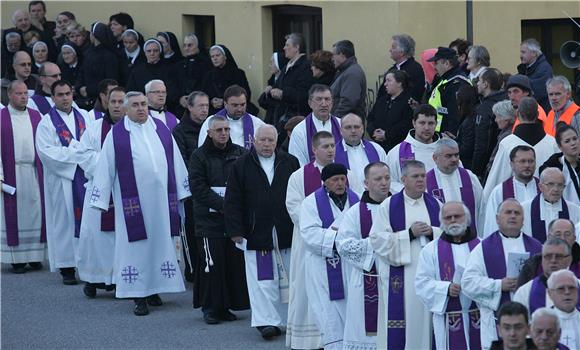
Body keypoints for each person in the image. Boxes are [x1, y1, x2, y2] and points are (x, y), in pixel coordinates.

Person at [89, 91, 189, 315]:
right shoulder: (117, 135)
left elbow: (175, 161)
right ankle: (138, 295)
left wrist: (183, 190)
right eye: (135, 105)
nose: (141, 108)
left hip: (162, 204)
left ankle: (154, 289)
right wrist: (100, 198)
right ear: (126, 109)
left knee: (159, 244)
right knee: (136, 248)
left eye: (144, 104)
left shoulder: (161, 129)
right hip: (133, 206)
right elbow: (105, 167)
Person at [285, 130, 361, 349]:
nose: (330, 150)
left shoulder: (349, 174)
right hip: (314, 246)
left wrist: (345, 234)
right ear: (314, 149)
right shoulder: (299, 176)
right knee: (314, 296)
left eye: (332, 146)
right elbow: (293, 207)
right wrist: (333, 233)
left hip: (347, 253)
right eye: (325, 146)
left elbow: (358, 209)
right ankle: (312, 340)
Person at [224, 125, 299, 339]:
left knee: (288, 277)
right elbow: (233, 200)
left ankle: (286, 319)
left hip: (285, 230)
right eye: (263, 140)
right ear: (254, 141)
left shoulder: (289, 162)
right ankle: (266, 322)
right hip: (256, 231)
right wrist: (236, 231)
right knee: (262, 280)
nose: (267, 145)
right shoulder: (241, 165)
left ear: (277, 142)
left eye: (271, 141)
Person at [369, 160, 443, 349]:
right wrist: (408, 234)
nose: (420, 180)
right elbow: (377, 240)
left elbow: (448, 235)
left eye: (423, 176)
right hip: (403, 275)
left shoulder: (435, 204)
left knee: (428, 322)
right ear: (403, 180)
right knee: (407, 319)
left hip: (430, 274)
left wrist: (432, 232)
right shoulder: (389, 206)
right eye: (415, 176)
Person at [189, 115, 250, 324]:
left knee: (231, 265)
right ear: (209, 133)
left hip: (232, 221)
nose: (223, 133)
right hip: (208, 221)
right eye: (219, 130)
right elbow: (197, 187)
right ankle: (210, 308)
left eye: (226, 129)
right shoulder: (199, 156)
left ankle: (226, 306)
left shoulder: (240, 153)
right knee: (211, 265)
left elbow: (247, 182)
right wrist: (224, 205)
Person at [462, 199, 543, 349]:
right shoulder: (483, 248)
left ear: (523, 220)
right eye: (508, 212)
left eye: (517, 213)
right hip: (496, 324)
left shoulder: (537, 247)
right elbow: (468, 282)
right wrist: (499, 285)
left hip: (531, 320)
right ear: (497, 219)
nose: (513, 216)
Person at [36, 80, 91, 285]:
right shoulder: (46, 123)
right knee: (63, 222)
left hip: (85, 176)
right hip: (62, 181)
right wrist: (76, 153)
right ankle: (67, 266)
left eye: (68, 93)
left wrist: (78, 154)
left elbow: (92, 145)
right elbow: (47, 154)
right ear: (53, 98)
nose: (65, 98)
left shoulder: (84, 117)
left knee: (87, 221)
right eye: (60, 95)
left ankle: (87, 264)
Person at [299, 163, 360, 349]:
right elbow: (309, 234)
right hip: (324, 268)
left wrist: (342, 236)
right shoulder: (310, 203)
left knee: (353, 311)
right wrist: (340, 237)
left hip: (351, 266)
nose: (340, 183)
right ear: (325, 182)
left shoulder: (356, 200)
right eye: (335, 180)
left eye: (343, 179)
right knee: (330, 314)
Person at [335, 162, 394, 349]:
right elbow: (343, 246)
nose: (384, 183)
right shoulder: (354, 214)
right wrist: (378, 242)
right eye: (378, 179)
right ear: (366, 183)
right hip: (368, 281)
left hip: (398, 279)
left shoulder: (400, 207)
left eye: (387, 178)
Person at [76, 87, 125, 297]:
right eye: (112, 101)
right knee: (93, 237)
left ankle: (120, 279)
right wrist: (108, 165)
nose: (116, 105)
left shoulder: (134, 129)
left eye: (120, 101)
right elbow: (83, 154)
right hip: (98, 190)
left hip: (124, 192)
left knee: (121, 237)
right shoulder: (95, 128)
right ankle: (93, 278)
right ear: (106, 103)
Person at [416, 201, 482, 350]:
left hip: (479, 317)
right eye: (448, 217)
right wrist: (445, 289)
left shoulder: (482, 247)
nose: (452, 220)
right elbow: (421, 283)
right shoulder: (430, 250)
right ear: (441, 221)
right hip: (447, 320)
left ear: (466, 218)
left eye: (457, 216)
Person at [1, 80, 46, 274]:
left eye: (25, 93)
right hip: (12, 173)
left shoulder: (37, 116)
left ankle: (35, 257)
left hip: (35, 172)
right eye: (19, 93)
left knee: (36, 213)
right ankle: (17, 260)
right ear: (9, 95)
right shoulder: (1, 118)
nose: (23, 97)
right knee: (15, 216)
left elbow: (45, 144)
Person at [484, 97, 559, 199]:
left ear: (518, 115)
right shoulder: (552, 143)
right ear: (537, 115)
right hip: (546, 205)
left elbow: (496, 180)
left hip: (514, 208)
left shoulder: (507, 144)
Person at [172, 91, 209, 281]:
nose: (204, 109)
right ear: (190, 107)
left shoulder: (212, 126)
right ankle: (193, 269)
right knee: (193, 229)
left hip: (211, 186)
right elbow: (181, 161)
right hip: (191, 188)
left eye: (207, 106)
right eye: (200, 106)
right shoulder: (179, 131)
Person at [426, 138, 483, 235]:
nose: (454, 159)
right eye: (448, 156)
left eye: (456, 155)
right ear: (435, 158)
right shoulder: (426, 181)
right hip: (440, 241)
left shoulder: (470, 177)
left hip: (469, 239)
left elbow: (481, 208)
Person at [483, 146, 541, 236]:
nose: (527, 165)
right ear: (512, 164)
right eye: (522, 161)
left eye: (531, 161)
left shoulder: (543, 188)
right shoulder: (499, 192)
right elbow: (491, 225)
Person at [264, 33, 313, 130]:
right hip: (282, 116)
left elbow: (304, 94)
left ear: (297, 47)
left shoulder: (305, 67)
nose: (284, 48)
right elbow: (278, 86)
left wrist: (283, 93)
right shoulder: (287, 66)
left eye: (287, 45)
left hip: (296, 118)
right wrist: (271, 89)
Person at [385, 104, 441, 186]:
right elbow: (391, 183)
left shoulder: (446, 151)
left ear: (436, 124)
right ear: (414, 123)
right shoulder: (396, 153)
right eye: (422, 123)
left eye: (431, 123)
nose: (426, 128)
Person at [513, 237, 573, 314]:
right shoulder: (524, 292)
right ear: (542, 260)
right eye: (548, 256)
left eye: (558, 256)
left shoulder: (578, 286)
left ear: (569, 260)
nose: (553, 260)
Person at [521, 167, 580, 243]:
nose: (556, 189)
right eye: (551, 184)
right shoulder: (524, 209)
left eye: (560, 185)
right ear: (540, 186)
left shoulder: (576, 211)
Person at [288, 84, 342, 166]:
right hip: (311, 177)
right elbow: (297, 162)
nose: (324, 104)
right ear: (310, 103)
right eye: (319, 99)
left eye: (327, 99)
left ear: (332, 103)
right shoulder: (300, 130)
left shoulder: (342, 125)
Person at [197, 84, 265, 149]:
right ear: (225, 104)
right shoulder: (211, 122)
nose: (239, 109)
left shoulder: (256, 123)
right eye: (235, 105)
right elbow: (202, 151)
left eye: (242, 105)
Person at [519, 218, 580, 287]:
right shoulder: (533, 265)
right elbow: (521, 294)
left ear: (574, 238)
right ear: (549, 237)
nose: (563, 238)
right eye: (558, 234)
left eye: (567, 234)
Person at [366, 69, 414, 152]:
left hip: (397, 148)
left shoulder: (408, 103)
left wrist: (386, 135)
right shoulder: (382, 101)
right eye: (385, 81)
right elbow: (370, 118)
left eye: (389, 81)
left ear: (399, 83)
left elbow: (406, 124)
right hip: (378, 146)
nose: (385, 84)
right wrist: (373, 132)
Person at [427, 46, 471, 135]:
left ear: (446, 63)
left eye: (436, 63)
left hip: (447, 134)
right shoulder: (445, 80)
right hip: (438, 132)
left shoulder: (457, 83)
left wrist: (449, 136)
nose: (434, 67)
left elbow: (454, 115)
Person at [472, 68, 507, 177]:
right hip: (501, 161)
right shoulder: (505, 102)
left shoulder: (485, 108)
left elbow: (482, 143)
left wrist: (476, 171)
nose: (477, 84)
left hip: (488, 165)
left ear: (486, 84)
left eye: (479, 81)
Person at [335, 113, 387, 186]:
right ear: (341, 130)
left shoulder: (376, 149)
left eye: (356, 127)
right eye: (348, 127)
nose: (353, 131)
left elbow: (387, 175)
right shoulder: (333, 153)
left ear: (362, 129)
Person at [201, 44, 254, 116]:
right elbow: (203, 94)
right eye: (212, 56)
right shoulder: (208, 76)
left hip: (234, 112)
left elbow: (246, 94)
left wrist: (225, 102)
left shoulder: (238, 74)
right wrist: (211, 101)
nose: (215, 58)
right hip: (214, 112)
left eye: (217, 55)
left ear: (225, 56)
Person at [75, 22, 119, 105]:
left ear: (94, 35)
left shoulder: (110, 56)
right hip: (84, 97)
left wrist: (88, 90)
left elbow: (110, 80)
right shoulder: (88, 52)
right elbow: (81, 72)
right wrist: (79, 87)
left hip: (100, 100)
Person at [126, 39, 177, 108]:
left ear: (160, 52)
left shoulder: (168, 69)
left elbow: (172, 92)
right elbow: (131, 92)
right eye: (149, 51)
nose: (152, 53)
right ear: (145, 52)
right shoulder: (137, 71)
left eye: (155, 51)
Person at [540, 125, 580, 204]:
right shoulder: (551, 169)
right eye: (567, 141)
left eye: (575, 139)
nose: (573, 143)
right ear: (560, 146)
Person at [330, 40, 367, 118]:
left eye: (333, 55)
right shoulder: (344, 71)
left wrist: (334, 120)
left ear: (342, 55)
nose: (332, 59)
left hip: (348, 125)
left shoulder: (352, 73)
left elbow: (348, 102)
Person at [176, 33, 211, 115]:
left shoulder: (207, 64)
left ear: (198, 46)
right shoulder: (179, 65)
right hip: (182, 108)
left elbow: (207, 85)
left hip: (201, 107)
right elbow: (174, 84)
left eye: (190, 45)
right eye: (185, 45)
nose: (186, 48)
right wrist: (179, 98)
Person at [546, 269, 580, 349]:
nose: (567, 292)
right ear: (550, 294)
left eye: (571, 288)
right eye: (561, 288)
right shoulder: (542, 321)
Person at [518, 38, 553, 113]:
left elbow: (537, 91)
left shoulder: (544, 69)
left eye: (523, 52)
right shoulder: (526, 68)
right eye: (521, 52)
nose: (520, 55)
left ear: (534, 53)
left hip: (541, 112)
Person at [485, 100, 518, 180]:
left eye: (497, 116)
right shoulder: (508, 133)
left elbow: (495, 161)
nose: (495, 120)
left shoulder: (507, 136)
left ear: (506, 118)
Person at [388, 34, 425, 101]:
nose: (390, 50)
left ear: (402, 52)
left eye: (393, 47)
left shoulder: (415, 70)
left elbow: (415, 94)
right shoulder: (392, 70)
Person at [455, 85, 479, 170]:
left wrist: (453, 143)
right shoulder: (474, 116)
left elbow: (466, 150)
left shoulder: (468, 122)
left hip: (467, 165)